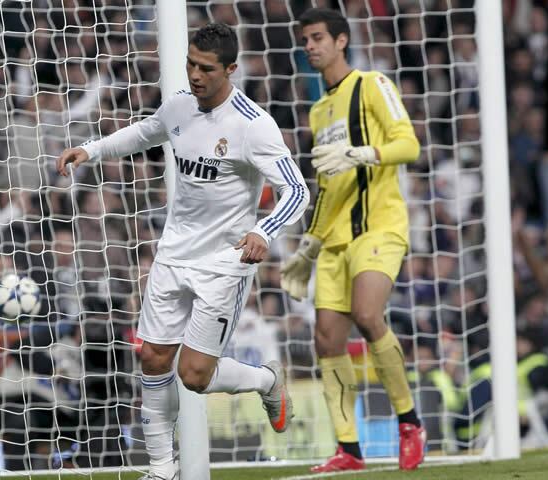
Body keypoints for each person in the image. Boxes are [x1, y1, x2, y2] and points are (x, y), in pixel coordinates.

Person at [56, 23, 309, 480]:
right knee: (151, 356)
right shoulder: (179, 105)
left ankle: (267, 380)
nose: (195, 74)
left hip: (224, 262)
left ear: (230, 69)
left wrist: (264, 231)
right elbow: (145, 133)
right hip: (173, 254)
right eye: (191, 63)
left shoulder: (253, 124)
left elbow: (296, 189)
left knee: (194, 375)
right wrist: (90, 150)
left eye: (206, 69)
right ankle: (161, 469)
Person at [280, 8, 425, 472]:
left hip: (379, 227)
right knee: (326, 341)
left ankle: (410, 421)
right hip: (336, 241)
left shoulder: (373, 84)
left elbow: (410, 144)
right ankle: (349, 449)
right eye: (305, 40)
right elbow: (329, 185)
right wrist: (309, 245)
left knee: (367, 313)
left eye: (318, 37)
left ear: (341, 40)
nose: (310, 46)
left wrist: (361, 152)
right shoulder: (318, 108)